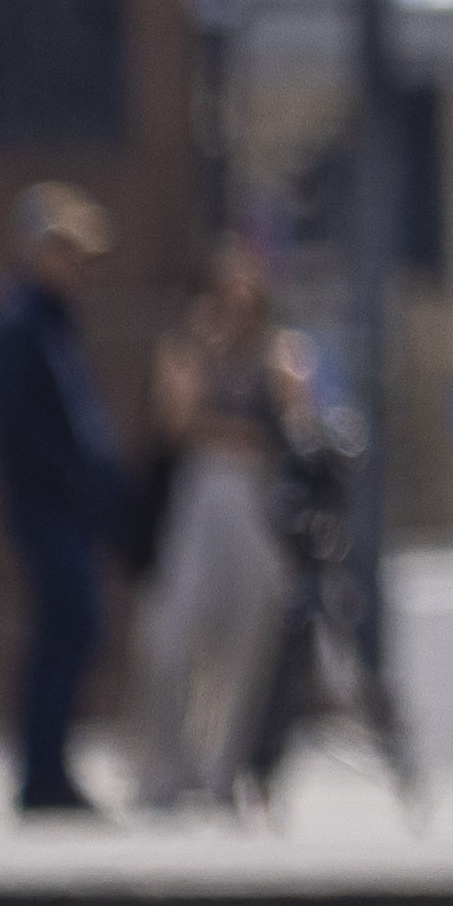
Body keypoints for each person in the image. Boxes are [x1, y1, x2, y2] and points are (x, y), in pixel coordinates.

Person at [125, 232, 308, 816]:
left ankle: (221, 768)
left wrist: (242, 420)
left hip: (255, 504)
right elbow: (177, 422)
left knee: (246, 638)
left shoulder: (279, 352)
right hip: (198, 499)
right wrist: (205, 355)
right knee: (173, 637)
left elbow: (295, 420)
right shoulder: (186, 349)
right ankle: (164, 766)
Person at [0, 188, 122, 815]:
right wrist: (76, 485)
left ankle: (50, 764)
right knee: (67, 629)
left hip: (69, 505)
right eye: (68, 252)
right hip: (47, 505)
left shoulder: (50, 318)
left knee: (72, 630)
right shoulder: (16, 321)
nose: (78, 268)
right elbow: (29, 428)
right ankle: (42, 772)